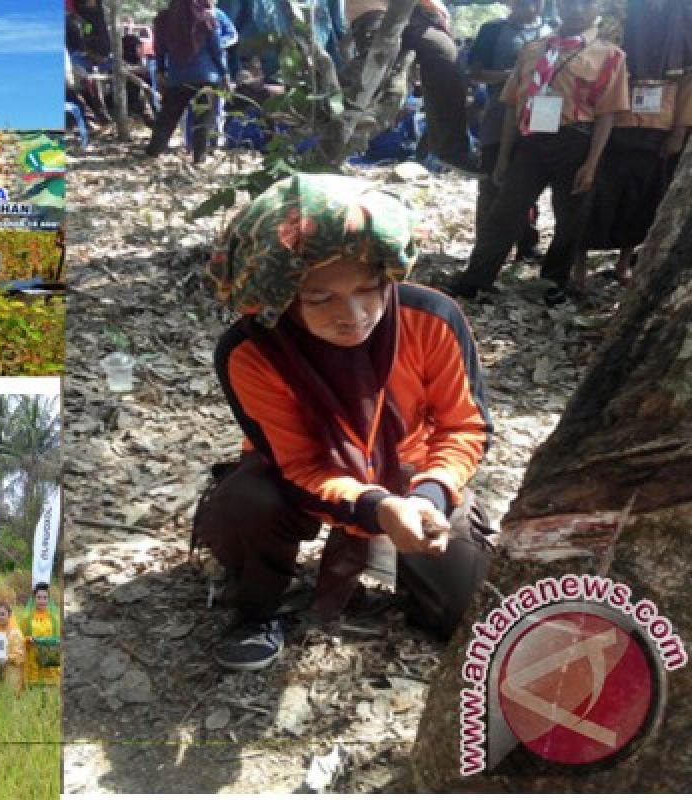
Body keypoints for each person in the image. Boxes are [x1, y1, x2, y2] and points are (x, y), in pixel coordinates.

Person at [198, 172, 494, 671]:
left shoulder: (433, 318)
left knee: (462, 612)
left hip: (415, 470)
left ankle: (408, 555)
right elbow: (299, 464)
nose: (354, 314)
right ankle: (255, 607)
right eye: (319, 298)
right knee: (250, 500)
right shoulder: (252, 352)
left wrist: (429, 497)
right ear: (281, 296)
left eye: (369, 288)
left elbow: (464, 427)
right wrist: (375, 507)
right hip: (305, 480)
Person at [452, 0, 630, 306]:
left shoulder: (610, 56)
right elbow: (512, 105)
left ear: (597, 9)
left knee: (570, 219)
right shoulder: (534, 50)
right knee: (505, 211)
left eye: (584, 5)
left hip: (576, 141)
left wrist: (591, 163)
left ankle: (553, 282)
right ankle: (475, 280)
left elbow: (607, 115)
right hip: (531, 141)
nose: (575, 10)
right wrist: (506, 153)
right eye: (567, 4)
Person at [573, 0, 692, 291]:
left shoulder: (684, 15)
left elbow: (690, 79)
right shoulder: (620, 11)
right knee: (595, 197)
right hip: (611, 122)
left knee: (643, 198)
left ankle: (623, 264)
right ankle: (577, 267)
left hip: (659, 126)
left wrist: (679, 131)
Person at [346, 0, 480, 174]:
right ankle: (355, 108)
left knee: (444, 51)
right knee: (382, 52)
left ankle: (451, 150)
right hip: (374, 10)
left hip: (411, 13)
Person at [467, 0, 551, 260]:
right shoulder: (492, 30)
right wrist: (514, 77)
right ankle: (486, 247)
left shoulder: (553, 32)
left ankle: (526, 243)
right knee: (492, 181)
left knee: (529, 182)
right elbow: (475, 73)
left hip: (539, 118)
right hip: (499, 114)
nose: (530, 7)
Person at [144, 0, 234, 164]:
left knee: (168, 117)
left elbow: (159, 48)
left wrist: (160, 70)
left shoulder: (163, 19)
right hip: (207, 76)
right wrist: (225, 74)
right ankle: (199, 158)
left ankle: (153, 152)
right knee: (203, 120)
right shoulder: (205, 16)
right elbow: (216, 50)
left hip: (177, 76)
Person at [22, 583, 61, 687]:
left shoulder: (54, 618)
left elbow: (59, 638)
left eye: (45, 598)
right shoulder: (27, 618)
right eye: (39, 598)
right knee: (34, 689)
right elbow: (21, 638)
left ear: (48, 599)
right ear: (34, 599)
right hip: (33, 659)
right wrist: (28, 639)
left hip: (49, 659)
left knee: (50, 689)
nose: (42, 601)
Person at [0, 600, 27, 695]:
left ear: (9, 616)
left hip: (12, 673)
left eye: (2, 614)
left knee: (11, 700)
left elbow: (20, 656)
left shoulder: (15, 633)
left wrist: (6, 658)